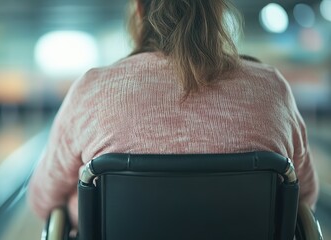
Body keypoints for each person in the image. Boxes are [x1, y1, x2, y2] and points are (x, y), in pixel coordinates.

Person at [28, 0, 319, 228]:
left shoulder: (91, 90)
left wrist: (78, 205)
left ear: (139, 10)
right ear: (217, 12)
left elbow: (43, 198)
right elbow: (304, 196)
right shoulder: (271, 88)